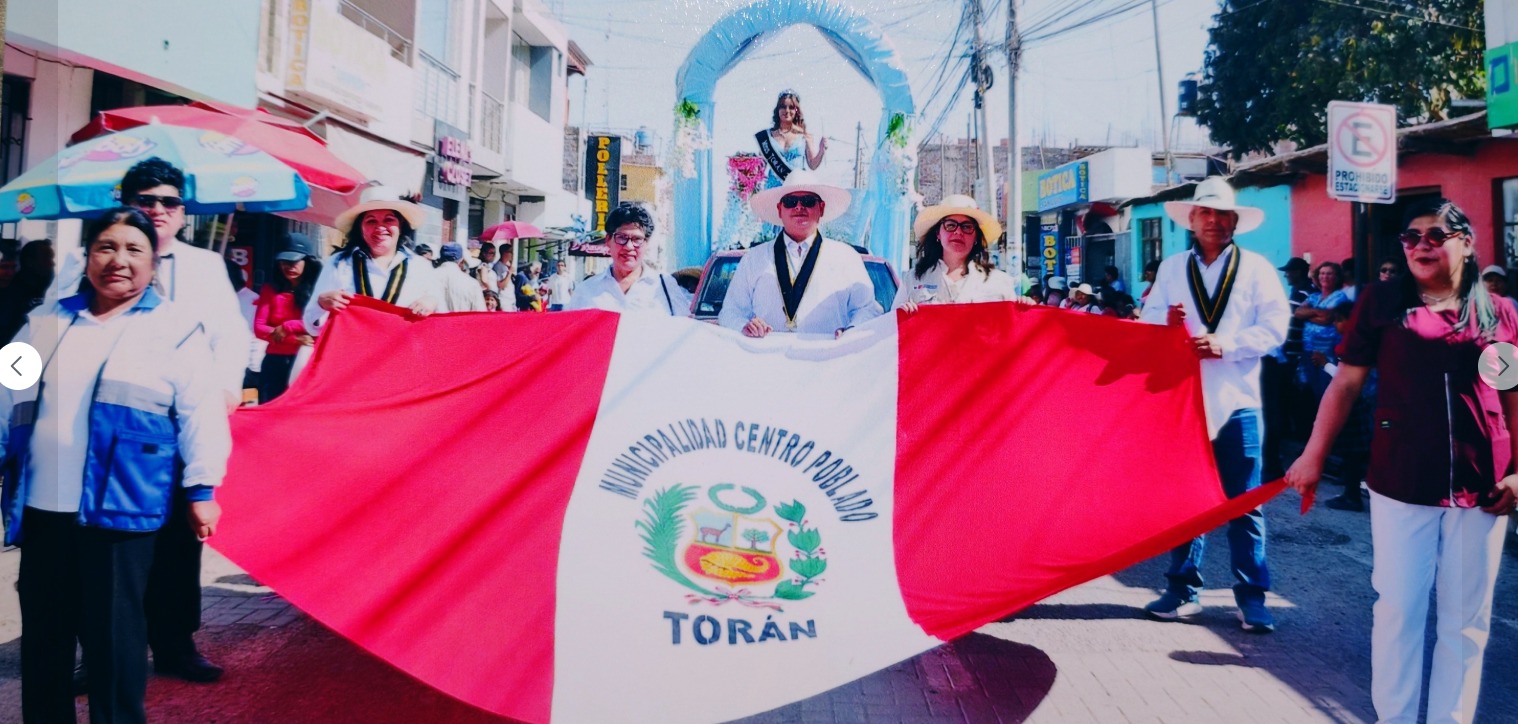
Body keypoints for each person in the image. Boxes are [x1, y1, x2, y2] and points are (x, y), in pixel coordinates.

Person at [1286, 198, 1517, 722]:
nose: (1420, 245)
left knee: (1466, 622)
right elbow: (1345, 384)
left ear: (1466, 242)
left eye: (1436, 235)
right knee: (1398, 610)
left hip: (1483, 486)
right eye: (1411, 238)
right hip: (1401, 480)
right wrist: (1313, 455)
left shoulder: (1497, 311)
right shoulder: (1381, 302)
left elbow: (1510, 391)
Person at [3, 208, 231, 723]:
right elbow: (3, 392)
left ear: (153, 264)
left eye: (134, 250)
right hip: (44, 508)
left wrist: (201, 487)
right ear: (87, 258)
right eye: (106, 247)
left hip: (120, 511)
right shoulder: (42, 322)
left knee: (116, 637)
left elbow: (200, 414)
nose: (118, 261)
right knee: (45, 638)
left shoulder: (176, 331)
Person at [43, 157, 247, 685]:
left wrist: (223, 387)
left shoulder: (205, 267)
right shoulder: (81, 262)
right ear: (126, 202)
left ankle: (175, 644)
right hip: (98, 433)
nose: (157, 210)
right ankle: (101, 652)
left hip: (173, 430)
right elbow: (45, 334)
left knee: (177, 544)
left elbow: (229, 334)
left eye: (169, 202)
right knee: (98, 546)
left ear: (182, 213)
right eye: (146, 199)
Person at [1139, 177, 1289, 632]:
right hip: (1183, 403)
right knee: (1185, 499)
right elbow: (1147, 324)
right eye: (1206, 214)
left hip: (1238, 400)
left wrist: (1226, 344)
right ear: (1193, 219)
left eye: (1224, 215)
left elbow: (1276, 328)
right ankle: (1182, 589)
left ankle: (1252, 597)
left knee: (1244, 502)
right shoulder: (1171, 267)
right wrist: (1164, 323)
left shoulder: (1257, 268)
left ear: (1234, 222)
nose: (1215, 222)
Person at [718, 171, 880, 337]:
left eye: (808, 201)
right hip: (767, 359)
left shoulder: (846, 257)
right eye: (790, 201)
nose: (799, 207)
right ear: (780, 209)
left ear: (821, 208)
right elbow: (730, 312)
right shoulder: (754, 258)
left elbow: (867, 308)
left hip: (829, 358)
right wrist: (744, 326)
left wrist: (852, 330)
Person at [304, 186, 443, 335]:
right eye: (371, 221)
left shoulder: (420, 266)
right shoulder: (339, 263)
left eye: (389, 220)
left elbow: (442, 324)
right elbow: (311, 327)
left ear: (400, 225)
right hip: (353, 354)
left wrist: (432, 303)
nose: (380, 227)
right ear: (360, 227)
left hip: (403, 354)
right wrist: (321, 304)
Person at [893, 195, 1020, 311]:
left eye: (967, 227)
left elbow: (1016, 329)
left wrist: (1027, 310)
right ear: (938, 233)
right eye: (950, 225)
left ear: (976, 237)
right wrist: (902, 314)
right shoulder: (913, 280)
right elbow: (892, 327)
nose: (958, 232)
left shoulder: (999, 282)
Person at [568, 204, 691, 316]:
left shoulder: (665, 286)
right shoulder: (586, 291)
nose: (629, 246)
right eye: (622, 237)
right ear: (608, 240)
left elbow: (683, 328)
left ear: (646, 243)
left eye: (637, 239)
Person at [254, 232, 321, 403]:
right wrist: (296, 339)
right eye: (284, 262)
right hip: (274, 361)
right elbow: (259, 328)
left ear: (308, 261)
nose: (289, 266)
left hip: (306, 361)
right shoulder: (270, 289)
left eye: (294, 261)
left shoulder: (319, 290)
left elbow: (321, 322)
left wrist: (288, 327)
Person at [756, 90, 826, 189]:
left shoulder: (805, 136)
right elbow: (760, 166)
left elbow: (813, 165)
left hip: (796, 188)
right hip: (773, 189)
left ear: (796, 110)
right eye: (783, 106)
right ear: (778, 110)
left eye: (791, 107)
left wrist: (821, 151)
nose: (787, 111)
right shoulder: (767, 136)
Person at [1297, 261, 1349, 393]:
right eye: (1322, 273)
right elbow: (1297, 313)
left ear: (1337, 277)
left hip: (1327, 350)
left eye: (1329, 274)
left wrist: (1309, 313)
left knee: (1325, 386)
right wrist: (1318, 312)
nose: (1324, 276)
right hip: (1308, 348)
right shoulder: (1314, 296)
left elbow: (1327, 319)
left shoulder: (1340, 296)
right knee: (1310, 387)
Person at [0, 239, 55, 344]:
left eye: (13, 267)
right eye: (4, 267)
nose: (10, 273)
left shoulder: (47, 290)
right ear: (30, 262)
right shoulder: (14, 295)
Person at [437, 243, 486, 312]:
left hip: (435, 322)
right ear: (461, 261)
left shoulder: (429, 277)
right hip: (461, 322)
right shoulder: (472, 283)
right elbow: (480, 314)